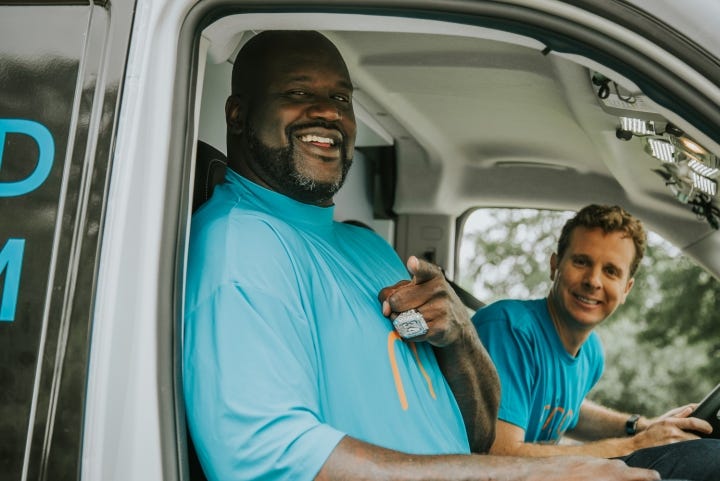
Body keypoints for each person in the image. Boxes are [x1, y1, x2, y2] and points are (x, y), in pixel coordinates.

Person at [183, 30, 663, 481]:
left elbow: (478, 436)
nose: (327, 113)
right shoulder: (241, 245)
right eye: (297, 92)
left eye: (341, 99)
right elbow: (269, 458)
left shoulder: (367, 246)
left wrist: (460, 338)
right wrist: (539, 473)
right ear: (237, 114)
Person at [472, 203, 720, 480]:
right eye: (581, 262)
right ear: (555, 266)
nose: (593, 280)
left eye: (611, 271)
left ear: (626, 288)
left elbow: (567, 413)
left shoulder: (591, 353)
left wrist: (643, 427)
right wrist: (635, 445)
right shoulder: (509, 328)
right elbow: (499, 456)